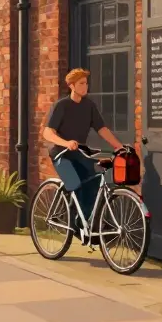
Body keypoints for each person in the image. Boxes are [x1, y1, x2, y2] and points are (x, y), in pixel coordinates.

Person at [41, 68, 126, 238]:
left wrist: (119, 146)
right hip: (61, 153)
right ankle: (73, 220)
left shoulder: (89, 106)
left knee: (94, 179)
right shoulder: (61, 105)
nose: (85, 87)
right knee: (75, 183)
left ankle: (84, 222)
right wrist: (66, 142)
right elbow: (47, 133)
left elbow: (101, 129)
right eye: (81, 83)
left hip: (79, 153)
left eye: (86, 83)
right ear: (71, 85)